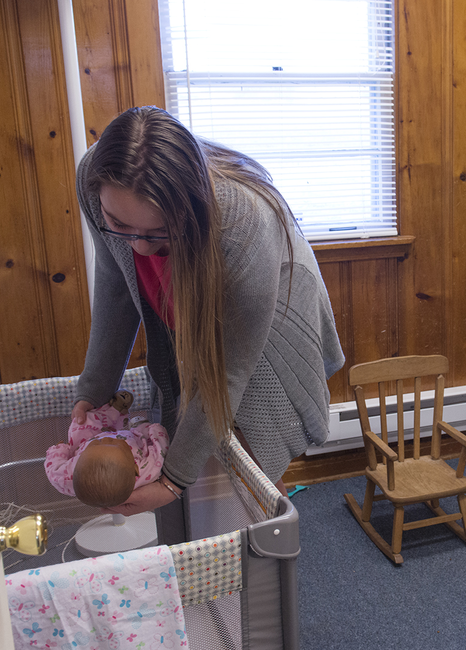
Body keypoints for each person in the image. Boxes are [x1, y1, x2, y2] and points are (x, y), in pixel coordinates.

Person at [70, 106, 344, 539]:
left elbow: (229, 371)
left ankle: (258, 574)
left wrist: (174, 480)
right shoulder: (92, 178)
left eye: (158, 232)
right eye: (120, 225)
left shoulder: (245, 223)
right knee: (191, 433)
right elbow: (115, 284)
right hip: (195, 307)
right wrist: (94, 390)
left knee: (249, 468)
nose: (139, 248)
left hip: (269, 328)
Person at [45, 390, 168, 508]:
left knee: (83, 424)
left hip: (90, 436)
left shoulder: (70, 477)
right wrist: (153, 430)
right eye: (114, 444)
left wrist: (58, 450)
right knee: (143, 439)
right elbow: (159, 451)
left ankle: (115, 409)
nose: (105, 440)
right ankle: (129, 420)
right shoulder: (144, 472)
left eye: (95, 445)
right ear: (135, 468)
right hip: (133, 438)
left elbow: (54, 471)